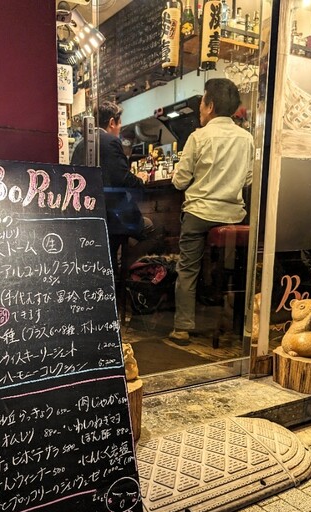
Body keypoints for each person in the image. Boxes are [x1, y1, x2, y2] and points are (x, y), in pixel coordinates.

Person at [169, 78, 254, 346]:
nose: (200, 108)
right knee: (233, 268)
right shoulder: (247, 139)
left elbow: (179, 181)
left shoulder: (198, 137)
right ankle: (238, 322)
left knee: (188, 268)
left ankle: (182, 328)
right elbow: (249, 179)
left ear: (211, 106)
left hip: (199, 214)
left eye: (202, 102)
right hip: (233, 216)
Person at [71, 101, 154, 267]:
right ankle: (128, 271)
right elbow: (122, 177)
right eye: (119, 123)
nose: (120, 128)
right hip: (112, 216)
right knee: (149, 226)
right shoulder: (110, 141)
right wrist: (141, 182)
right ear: (111, 122)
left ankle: (116, 262)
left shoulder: (80, 145)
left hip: (87, 214)